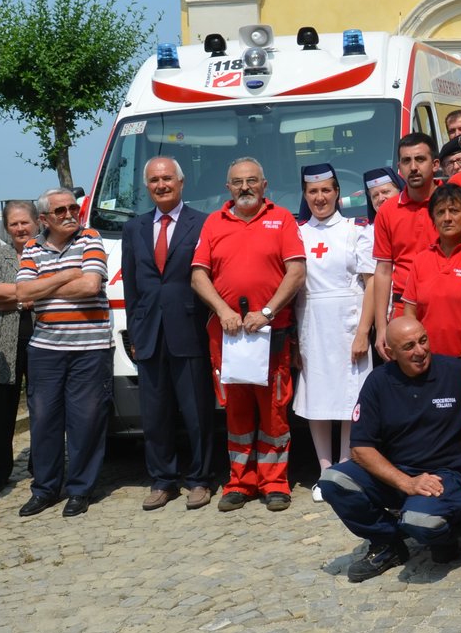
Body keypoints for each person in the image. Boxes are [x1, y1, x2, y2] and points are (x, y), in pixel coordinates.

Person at [317, 317, 461, 581]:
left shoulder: (458, 372)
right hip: (397, 474)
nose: (420, 351)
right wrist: (407, 483)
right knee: (333, 480)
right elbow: (360, 448)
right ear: (390, 353)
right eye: (409, 346)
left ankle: (447, 533)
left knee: (421, 522)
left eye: (423, 340)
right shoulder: (377, 382)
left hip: (445, 475)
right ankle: (387, 543)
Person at [191, 158, 307, 512]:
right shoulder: (214, 222)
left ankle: (275, 483)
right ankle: (239, 482)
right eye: (238, 182)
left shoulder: (282, 219)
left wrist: (268, 311)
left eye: (252, 181)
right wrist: (224, 311)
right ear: (228, 187)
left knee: (273, 411)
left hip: (271, 333)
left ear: (264, 184)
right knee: (236, 412)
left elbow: (296, 272)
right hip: (228, 335)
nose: (245, 187)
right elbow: (198, 276)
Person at [0, 187, 113, 519]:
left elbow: (90, 286)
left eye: (73, 207)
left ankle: (79, 490)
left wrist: (46, 284)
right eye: (60, 211)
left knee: (85, 421)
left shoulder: (90, 238)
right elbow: (23, 292)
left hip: (89, 347)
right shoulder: (33, 246)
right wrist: (67, 274)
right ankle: (45, 489)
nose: (70, 214)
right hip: (45, 349)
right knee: (44, 421)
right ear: (44, 218)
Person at [121, 157, 216, 512]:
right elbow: (132, 285)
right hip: (148, 332)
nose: (161, 185)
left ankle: (200, 479)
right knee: (155, 413)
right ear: (146, 186)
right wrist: (134, 329)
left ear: (181, 182)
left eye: (167, 179)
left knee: (196, 411)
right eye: (154, 180)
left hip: (189, 329)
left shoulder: (203, 224)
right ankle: (162, 480)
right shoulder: (134, 229)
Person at [294, 163, 376, 473]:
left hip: (349, 323)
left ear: (337, 192)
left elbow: (371, 286)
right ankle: (325, 468)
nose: (320, 197)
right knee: (317, 396)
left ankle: (346, 464)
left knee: (348, 397)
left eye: (326, 190)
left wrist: (363, 333)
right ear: (305, 194)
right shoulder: (297, 233)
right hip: (312, 323)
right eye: (313, 191)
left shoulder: (357, 230)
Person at [402, 183, 461, 358]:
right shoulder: (421, 259)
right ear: (433, 219)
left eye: (454, 211)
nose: (447, 218)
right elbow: (410, 312)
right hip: (428, 362)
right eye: (440, 212)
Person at [0, 201, 37, 494]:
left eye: (24, 222)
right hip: (3, 344)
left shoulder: (45, 252)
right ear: (6, 227)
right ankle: (0, 471)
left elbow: (55, 287)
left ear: (36, 222)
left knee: (41, 408)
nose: (20, 228)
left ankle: (39, 465)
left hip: (41, 341)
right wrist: (28, 297)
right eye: (14, 224)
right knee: (3, 413)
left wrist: (12, 295)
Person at [371, 134, 440, 336]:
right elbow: (383, 270)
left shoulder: (452, 203)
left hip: (446, 302)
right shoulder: (387, 211)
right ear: (399, 168)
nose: (414, 167)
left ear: (435, 164)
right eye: (407, 161)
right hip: (403, 306)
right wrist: (382, 326)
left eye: (420, 159)